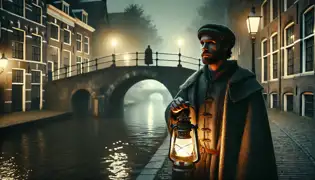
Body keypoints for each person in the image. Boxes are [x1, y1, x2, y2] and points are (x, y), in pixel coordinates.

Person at [165, 24, 278, 180]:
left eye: (210, 42)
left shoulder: (245, 84)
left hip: (228, 166)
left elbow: (256, 139)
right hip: (196, 165)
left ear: (226, 47)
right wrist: (175, 110)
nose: (204, 47)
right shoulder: (193, 84)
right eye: (202, 44)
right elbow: (172, 115)